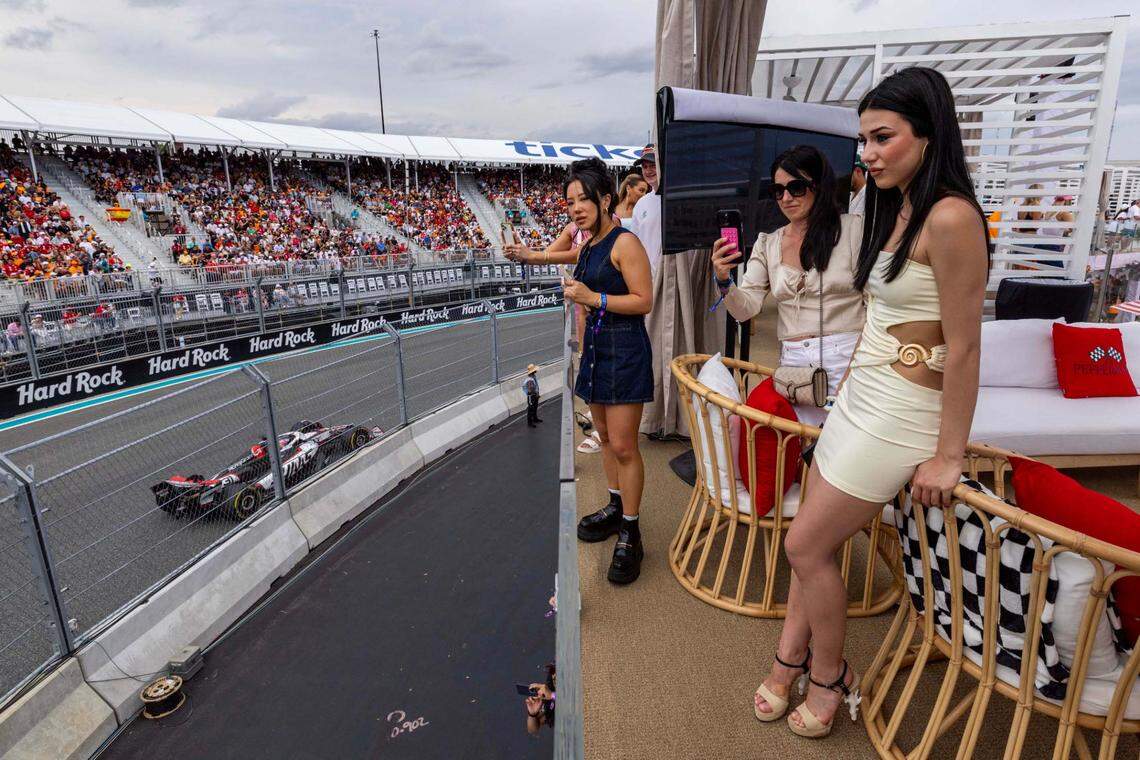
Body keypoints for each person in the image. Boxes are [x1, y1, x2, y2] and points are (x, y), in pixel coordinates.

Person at [752, 66, 989, 739]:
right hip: (862, 399)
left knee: (804, 544)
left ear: (928, 132)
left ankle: (829, 677)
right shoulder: (892, 205)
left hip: (902, 415)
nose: (869, 154)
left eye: (883, 137)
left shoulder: (950, 216)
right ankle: (790, 658)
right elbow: (880, 320)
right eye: (864, 141)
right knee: (812, 546)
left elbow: (965, 348)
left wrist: (949, 455)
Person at [505, 157, 653, 584]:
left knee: (624, 446)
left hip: (625, 351)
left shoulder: (626, 243)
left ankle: (631, 529)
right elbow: (566, 255)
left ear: (605, 199)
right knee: (605, 437)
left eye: (582, 199)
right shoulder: (589, 246)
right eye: (569, 201)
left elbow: (644, 300)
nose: (574, 208)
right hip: (597, 351)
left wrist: (593, 297)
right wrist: (533, 257)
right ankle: (614, 504)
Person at [711, 144, 866, 427]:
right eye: (777, 190)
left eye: (796, 187)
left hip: (850, 360)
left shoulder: (854, 230)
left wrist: (855, 374)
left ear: (819, 186)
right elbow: (745, 309)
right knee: (792, 455)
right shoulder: (768, 242)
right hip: (795, 371)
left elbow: (877, 308)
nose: (786, 198)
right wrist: (723, 280)